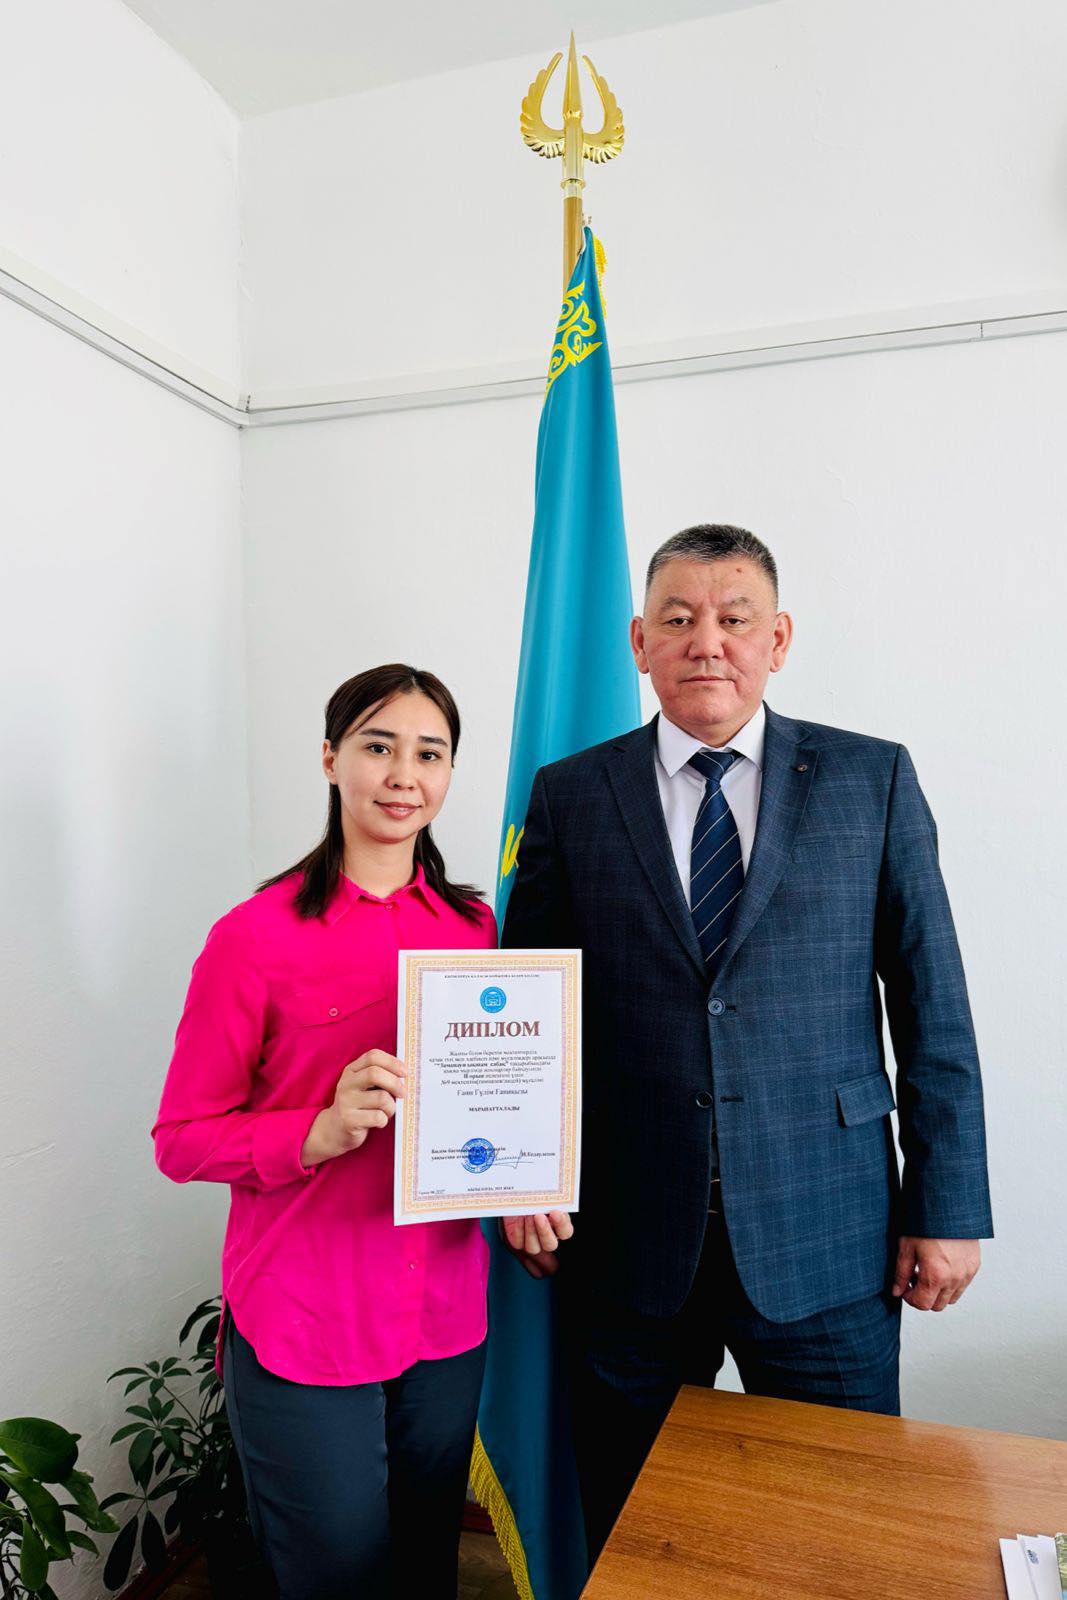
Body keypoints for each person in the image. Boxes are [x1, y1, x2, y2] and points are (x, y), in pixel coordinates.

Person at [501, 523, 993, 1561]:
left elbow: (931, 1006)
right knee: (639, 1538)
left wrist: (946, 1206)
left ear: (777, 639)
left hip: (829, 1236)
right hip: (627, 1239)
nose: (706, 642)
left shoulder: (870, 779)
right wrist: (518, 1175)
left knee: (841, 1533)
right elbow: (529, 1011)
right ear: (639, 640)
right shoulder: (571, 794)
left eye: (733, 619)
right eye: (677, 619)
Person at [152, 664, 497, 1600]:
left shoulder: (475, 929)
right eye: (378, 746)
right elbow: (181, 1138)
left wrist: (527, 1188)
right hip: (307, 1320)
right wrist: (315, 1131)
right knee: (334, 1578)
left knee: (427, 1567)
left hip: (444, 1314)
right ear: (330, 758)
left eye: (429, 754)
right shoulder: (252, 937)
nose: (403, 775)